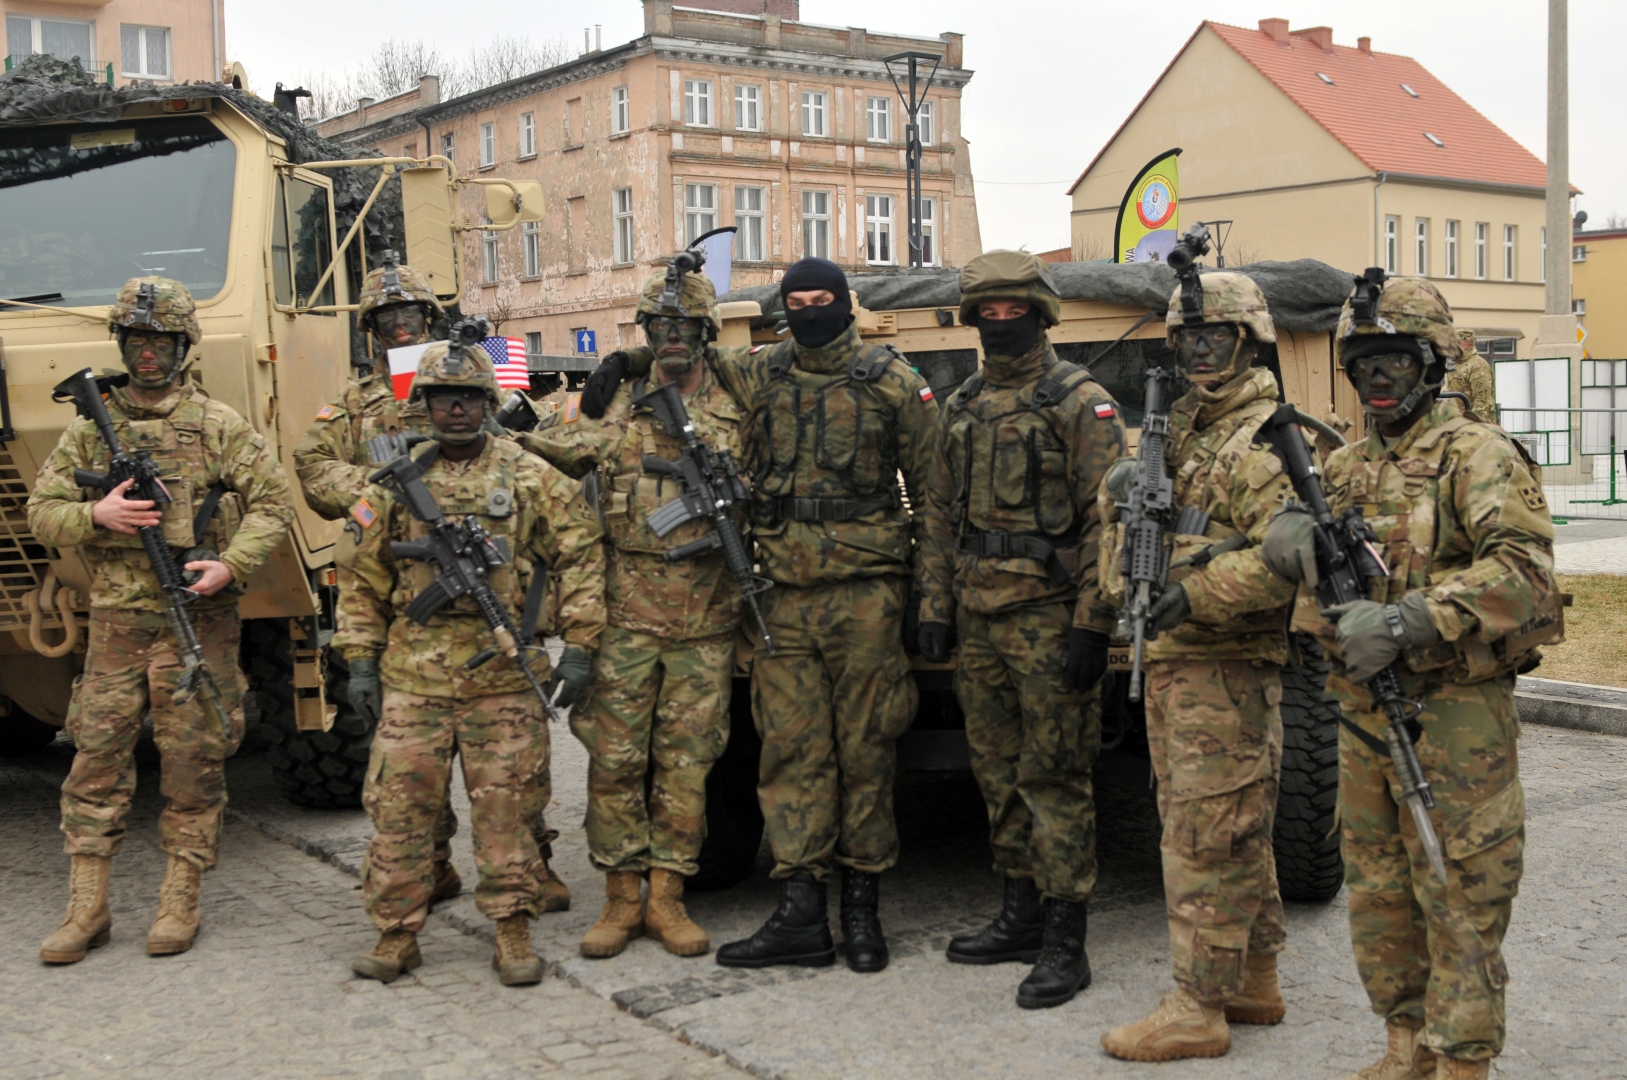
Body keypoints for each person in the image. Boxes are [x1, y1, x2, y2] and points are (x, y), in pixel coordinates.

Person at [581, 255, 938, 973]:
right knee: (789, 756)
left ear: (846, 303)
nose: (809, 311)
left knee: (866, 754)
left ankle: (861, 911)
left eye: (822, 299)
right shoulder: (762, 372)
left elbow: (933, 500)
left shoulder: (894, 381)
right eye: (796, 300)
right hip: (782, 594)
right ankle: (800, 911)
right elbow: (686, 352)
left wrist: (931, 602)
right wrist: (624, 358)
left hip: (867, 591)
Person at [1261, 274, 1560, 1080]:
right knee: (1379, 887)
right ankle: (1404, 1042)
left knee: (1459, 884)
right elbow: (1313, 562)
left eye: (1395, 360)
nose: (1377, 379)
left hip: (1454, 713)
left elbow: (1526, 578)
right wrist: (1286, 537)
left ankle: (1462, 1059)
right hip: (1361, 714)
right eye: (1362, 364)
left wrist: (1406, 620)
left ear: (1432, 362)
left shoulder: (1479, 454)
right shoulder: (1349, 463)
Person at [29, 276, 294, 962]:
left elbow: (273, 501)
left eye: (159, 342)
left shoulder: (216, 425)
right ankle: (87, 906)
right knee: (95, 760)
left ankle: (180, 897)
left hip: (196, 619)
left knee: (192, 762)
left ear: (182, 345)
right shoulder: (91, 428)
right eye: (136, 341)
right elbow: (41, 511)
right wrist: (97, 513)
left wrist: (231, 564)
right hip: (119, 623)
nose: (146, 355)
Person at [294, 256, 569, 912]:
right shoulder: (360, 405)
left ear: (429, 318)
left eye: (410, 315)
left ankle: (530, 859)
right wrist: (374, 494)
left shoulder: (471, 380)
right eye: (386, 319)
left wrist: (509, 428)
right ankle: (432, 863)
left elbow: (545, 448)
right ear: (370, 329)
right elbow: (310, 462)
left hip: (488, 582)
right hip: (398, 586)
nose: (398, 326)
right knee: (414, 748)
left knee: (508, 740)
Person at [339, 341, 605, 986]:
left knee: (508, 809)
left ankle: (512, 929)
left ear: (487, 404)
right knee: (399, 810)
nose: (454, 410)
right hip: (415, 674)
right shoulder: (393, 481)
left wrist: (581, 642)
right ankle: (396, 930)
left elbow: (581, 554)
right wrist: (360, 659)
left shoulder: (530, 473)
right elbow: (360, 576)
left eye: (467, 399)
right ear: (422, 405)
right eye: (440, 399)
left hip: (503, 672)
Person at [1099, 272, 1304, 1060]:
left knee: (1201, 834)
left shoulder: (1267, 438)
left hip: (1224, 663)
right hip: (1181, 661)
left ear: (1249, 342)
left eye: (1217, 338)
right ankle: (1252, 977)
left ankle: (1196, 1005)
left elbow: (1284, 560)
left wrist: (1195, 595)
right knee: (1233, 826)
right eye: (1188, 339)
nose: (1201, 352)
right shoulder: (1180, 426)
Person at [915, 250, 1123, 1010]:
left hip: (1048, 617)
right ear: (972, 321)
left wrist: (1091, 627)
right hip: (977, 618)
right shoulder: (963, 404)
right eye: (988, 313)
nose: (1001, 325)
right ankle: (1019, 912)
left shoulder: (1080, 401)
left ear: (1040, 315)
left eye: (1014, 312)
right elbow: (938, 514)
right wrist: (934, 608)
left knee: (1056, 777)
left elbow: (1110, 520)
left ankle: (1066, 939)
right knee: (996, 772)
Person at [522, 270, 746, 960]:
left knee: (685, 765)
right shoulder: (616, 405)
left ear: (706, 333)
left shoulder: (741, 403)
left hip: (704, 623)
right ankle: (620, 900)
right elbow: (551, 454)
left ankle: (668, 898)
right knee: (614, 762)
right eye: (657, 330)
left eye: (684, 328)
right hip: (623, 619)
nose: (671, 339)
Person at [1445, 328, 1497, 425]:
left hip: (1477, 429)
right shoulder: (1459, 366)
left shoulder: (1478, 366)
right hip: (1459, 425)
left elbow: (1481, 404)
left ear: (1463, 344)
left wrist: (1472, 428)